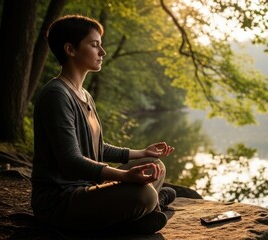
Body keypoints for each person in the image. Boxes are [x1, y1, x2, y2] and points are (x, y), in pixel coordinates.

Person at [30, 14, 176, 234]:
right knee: (144, 194)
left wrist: (141, 152)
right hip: (60, 201)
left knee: (154, 163)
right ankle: (149, 207)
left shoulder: (85, 95)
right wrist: (125, 177)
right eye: (94, 45)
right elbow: (70, 161)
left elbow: (98, 148)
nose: (102, 52)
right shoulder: (56, 95)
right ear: (70, 49)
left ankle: (146, 210)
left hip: (88, 189)